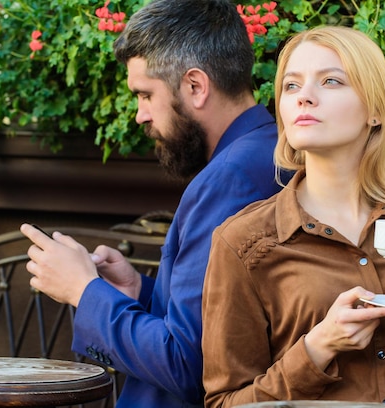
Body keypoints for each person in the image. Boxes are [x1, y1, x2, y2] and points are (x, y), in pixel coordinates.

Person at [202, 26, 385, 407]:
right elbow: (223, 403)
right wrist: (317, 348)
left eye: (330, 81)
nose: (304, 98)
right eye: (291, 86)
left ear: (375, 111)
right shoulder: (243, 243)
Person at [20, 0, 285, 406]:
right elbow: (225, 323)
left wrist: (83, 290)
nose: (141, 115)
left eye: (145, 95)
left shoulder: (230, 178)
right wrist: (138, 291)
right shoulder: (263, 153)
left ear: (196, 86)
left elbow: (188, 364)